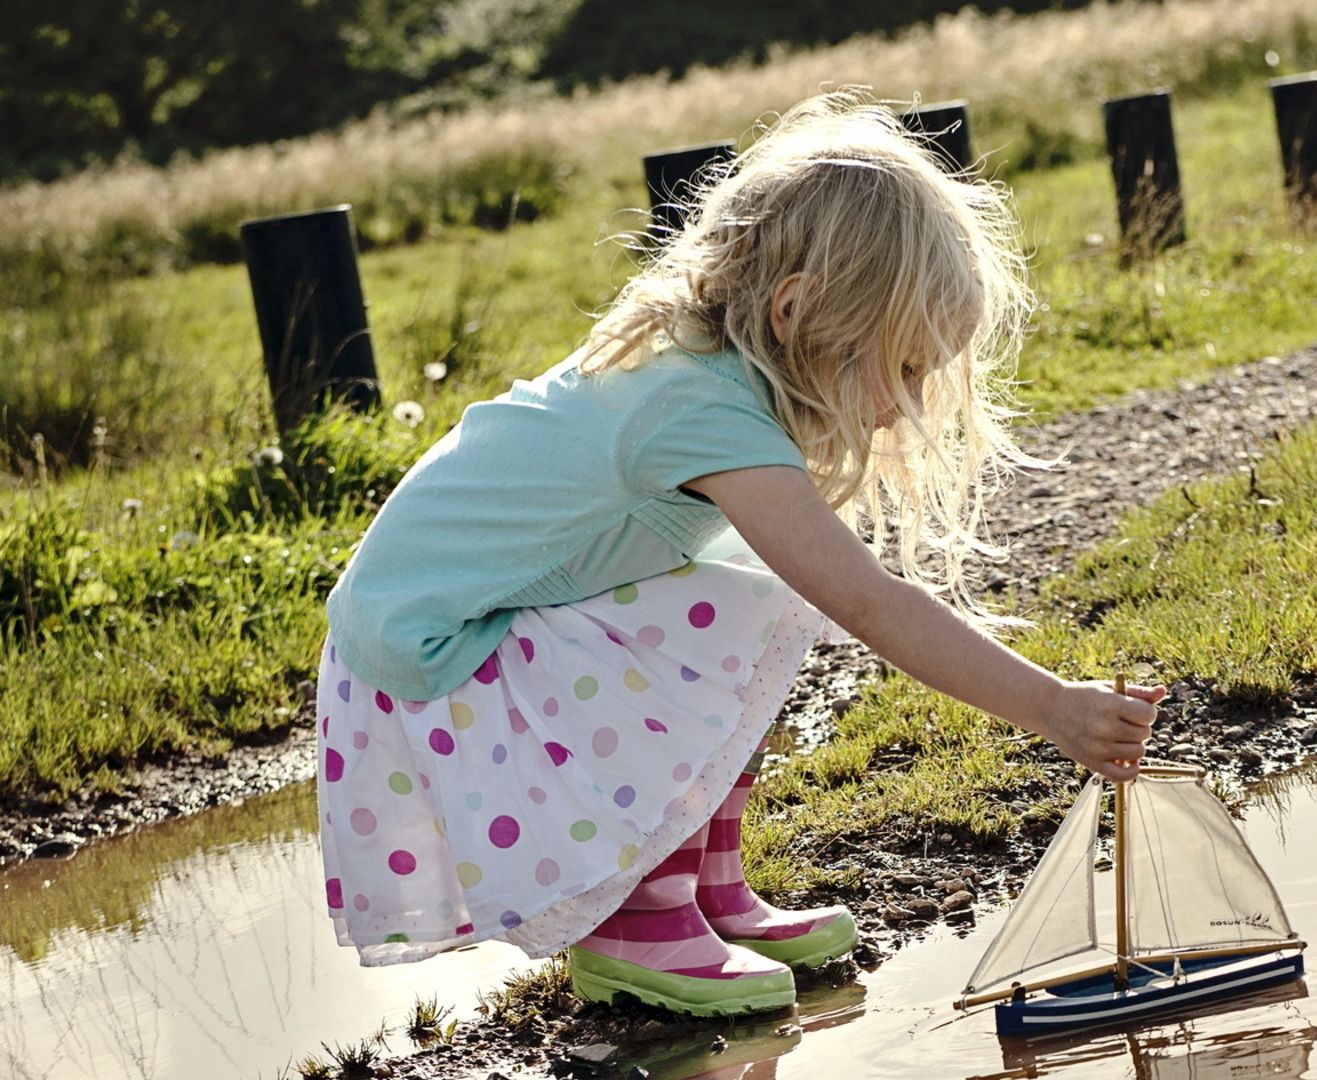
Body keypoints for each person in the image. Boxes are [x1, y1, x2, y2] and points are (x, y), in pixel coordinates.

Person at [313, 89, 1165, 1018]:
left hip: (465, 628)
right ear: (799, 311)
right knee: (738, 611)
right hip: (437, 657)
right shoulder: (700, 409)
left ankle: (706, 889)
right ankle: (638, 919)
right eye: (906, 366)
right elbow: (868, 603)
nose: (908, 399)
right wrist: (1054, 709)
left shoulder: (714, 365)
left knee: (745, 602)